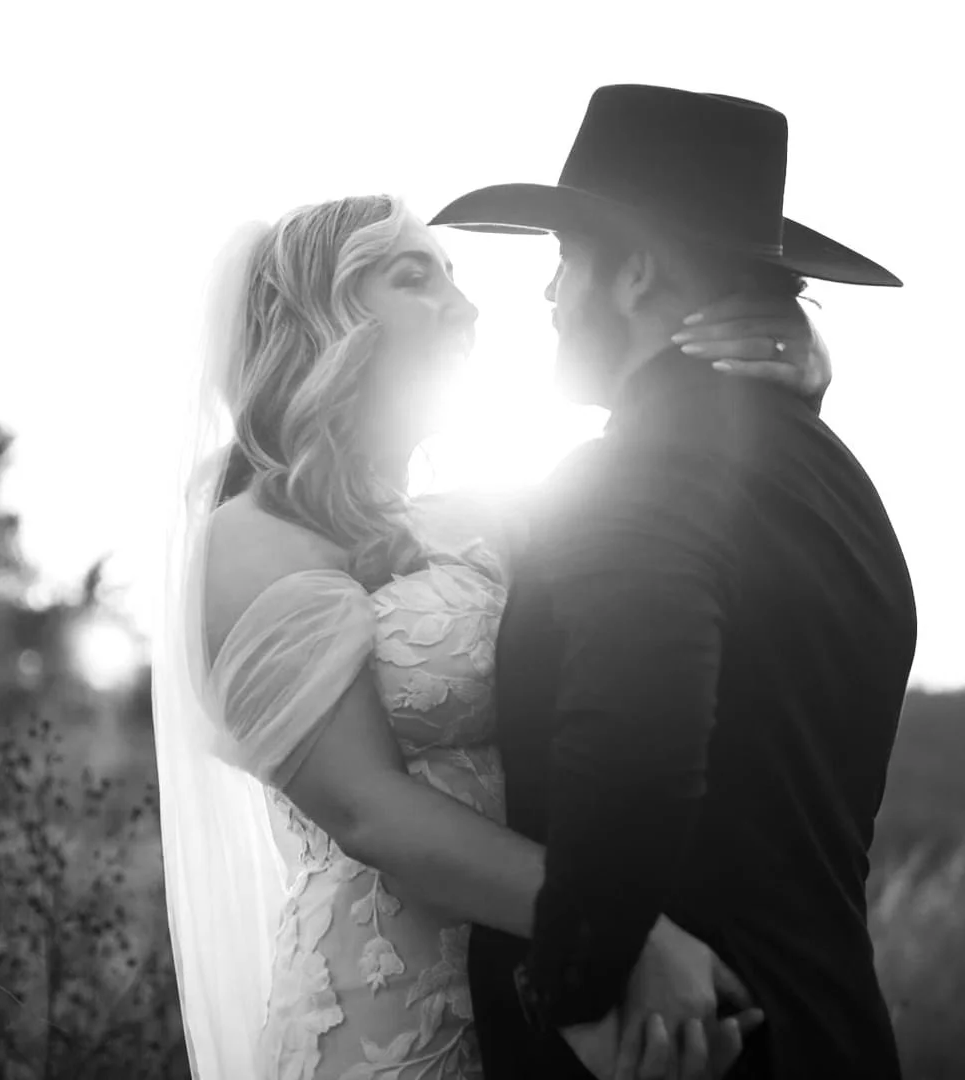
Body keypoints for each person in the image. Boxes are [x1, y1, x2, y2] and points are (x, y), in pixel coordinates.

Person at [152, 175, 842, 1077]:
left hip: (535, 1010)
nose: (466, 306)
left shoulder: (481, 519)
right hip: (381, 1021)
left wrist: (802, 369)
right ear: (324, 317)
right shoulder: (250, 541)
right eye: (414, 277)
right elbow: (368, 810)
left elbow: (673, 514)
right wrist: (621, 932)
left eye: (453, 275)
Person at [429, 85, 916, 1079]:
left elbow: (636, 739)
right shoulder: (844, 488)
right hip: (835, 1031)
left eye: (567, 261)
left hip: (679, 1046)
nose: (550, 296)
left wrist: (574, 989)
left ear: (638, 272)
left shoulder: (632, 474)